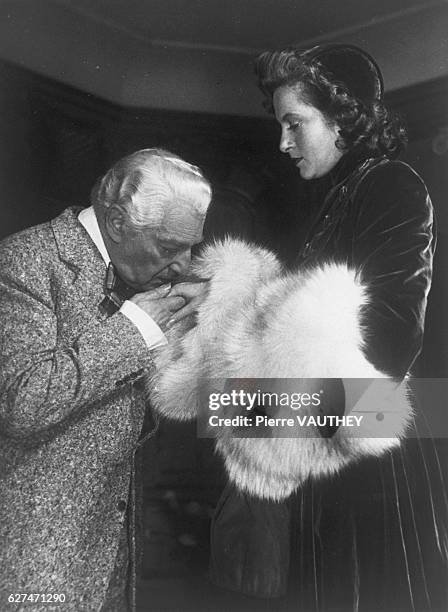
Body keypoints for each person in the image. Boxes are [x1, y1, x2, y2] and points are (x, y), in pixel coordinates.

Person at [162, 45, 447, 610]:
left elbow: (388, 347)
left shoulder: (391, 183)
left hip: (374, 459)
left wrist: (233, 406)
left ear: (343, 119)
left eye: (295, 123)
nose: (283, 142)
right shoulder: (343, 193)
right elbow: (305, 334)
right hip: (336, 451)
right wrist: (223, 299)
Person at [0, 148, 212, 611]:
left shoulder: (144, 281)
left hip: (108, 559)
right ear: (117, 222)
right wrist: (135, 330)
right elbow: (21, 403)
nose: (183, 264)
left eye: (192, 244)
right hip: (33, 568)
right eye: (170, 246)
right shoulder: (24, 261)